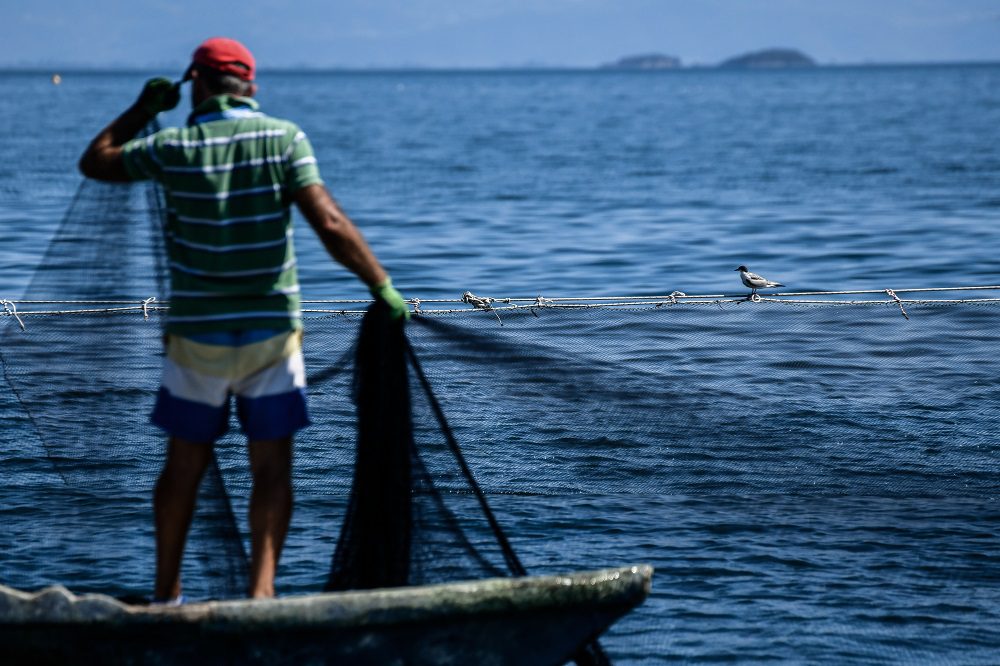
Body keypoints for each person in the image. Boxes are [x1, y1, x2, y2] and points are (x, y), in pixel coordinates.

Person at [79, 37, 409, 601]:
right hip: (271, 336)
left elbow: (96, 161)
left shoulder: (171, 146)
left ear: (197, 85)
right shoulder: (284, 139)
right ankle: (262, 595)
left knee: (183, 467)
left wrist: (142, 109)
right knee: (273, 468)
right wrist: (381, 284)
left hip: (197, 337)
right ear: (250, 87)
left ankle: (166, 596)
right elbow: (328, 221)